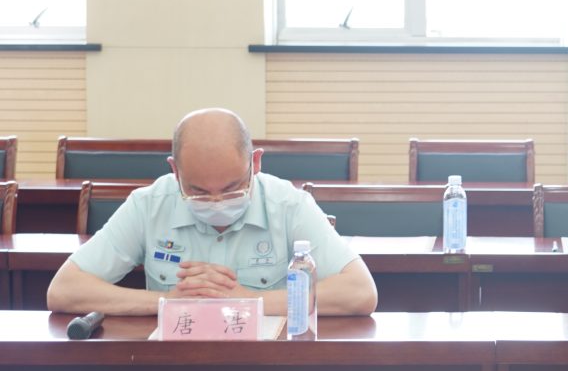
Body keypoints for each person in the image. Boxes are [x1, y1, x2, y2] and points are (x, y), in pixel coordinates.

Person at [47, 108, 378, 316]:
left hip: (268, 369)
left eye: (232, 188)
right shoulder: (149, 204)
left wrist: (249, 301)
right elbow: (64, 290)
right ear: (175, 171)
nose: (217, 202)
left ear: (255, 163)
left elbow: (360, 292)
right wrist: (168, 302)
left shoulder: (288, 205)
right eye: (199, 192)